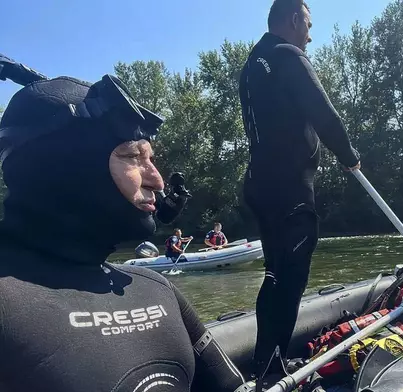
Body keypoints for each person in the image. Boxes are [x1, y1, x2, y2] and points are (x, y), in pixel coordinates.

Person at [0, 70, 244, 391]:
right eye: (132, 156)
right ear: (64, 168)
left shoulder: (156, 288)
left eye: (151, 158)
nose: (157, 180)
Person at [238, 0, 361, 385]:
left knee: (274, 274)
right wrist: (350, 157)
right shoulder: (287, 55)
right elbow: (323, 113)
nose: (310, 32)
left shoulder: (253, 64)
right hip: (289, 187)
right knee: (290, 277)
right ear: (293, 20)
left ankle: (265, 361)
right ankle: (274, 366)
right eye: (308, 22)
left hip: (260, 184)